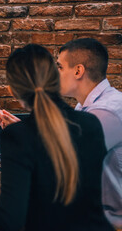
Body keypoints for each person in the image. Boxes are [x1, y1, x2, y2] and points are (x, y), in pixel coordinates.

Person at [0, 44, 113, 231]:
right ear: (55, 78)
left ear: (12, 90)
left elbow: (8, 222)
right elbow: (67, 193)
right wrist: (8, 192)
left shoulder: (17, 136)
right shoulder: (91, 123)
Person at [57, 38, 122, 228]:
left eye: (60, 67)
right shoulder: (87, 105)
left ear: (78, 71)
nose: (55, 74)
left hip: (108, 220)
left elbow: (65, 158)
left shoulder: (107, 112)